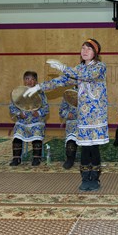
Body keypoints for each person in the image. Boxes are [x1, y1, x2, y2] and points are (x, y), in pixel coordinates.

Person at [24, 38, 108, 191]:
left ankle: (94, 179)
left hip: (96, 116)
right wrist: (38, 87)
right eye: (82, 48)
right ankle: (84, 178)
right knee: (84, 147)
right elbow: (61, 80)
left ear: (95, 52)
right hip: (82, 116)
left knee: (93, 148)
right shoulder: (78, 69)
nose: (84, 51)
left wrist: (63, 67)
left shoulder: (100, 67)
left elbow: (88, 75)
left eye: (88, 48)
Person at [8, 71, 49, 167]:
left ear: (36, 81)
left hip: (37, 122)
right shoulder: (18, 93)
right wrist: (19, 114)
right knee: (17, 137)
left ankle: (36, 158)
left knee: (37, 137)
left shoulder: (40, 93)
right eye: (27, 79)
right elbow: (12, 107)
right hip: (22, 122)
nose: (29, 81)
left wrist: (38, 113)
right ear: (24, 80)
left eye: (32, 79)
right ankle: (16, 159)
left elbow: (46, 108)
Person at [59, 88, 78, 169]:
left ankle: (89, 160)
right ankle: (70, 159)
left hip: (87, 123)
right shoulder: (69, 94)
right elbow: (61, 111)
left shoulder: (91, 92)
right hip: (73, 123)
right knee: (71, 140)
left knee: (89, 144)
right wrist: (67, 114)